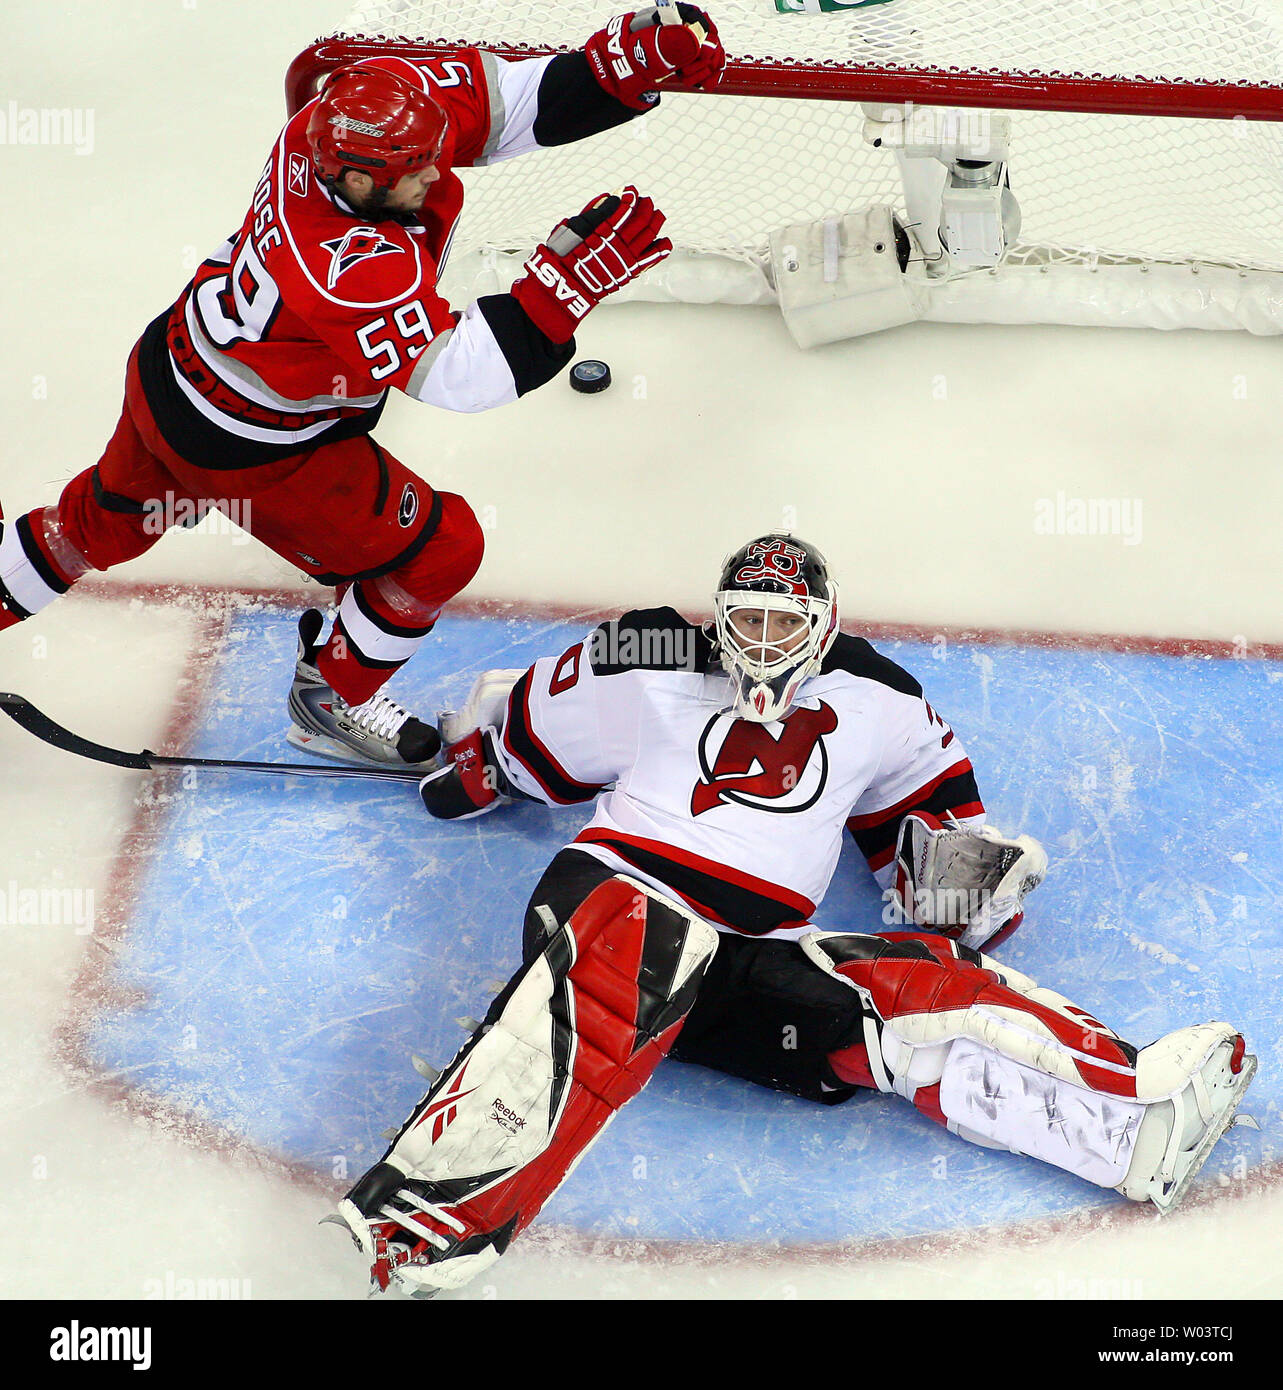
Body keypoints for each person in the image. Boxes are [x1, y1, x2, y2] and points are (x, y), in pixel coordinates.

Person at [333, 533, 1256, 1296]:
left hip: (740, 958)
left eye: (786, 622)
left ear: (824, 623)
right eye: (747, 621)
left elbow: (921, 825)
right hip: (614, 896)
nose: (764, 643)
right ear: (718, 617)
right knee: (634, 953)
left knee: (903, 1005)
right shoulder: (648, 654)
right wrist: (480, 769)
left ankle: (1134, 1126)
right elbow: (532, 743)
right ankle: (426, 1220)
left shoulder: (879, 696)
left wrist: (963, 886)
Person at [0, 6, 725, 768]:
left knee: (94, 527)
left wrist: (613, 70)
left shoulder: (361, 116)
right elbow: (458, 377)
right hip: (254, 446)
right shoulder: (348, 268)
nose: (434, 172)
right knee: (438, 549)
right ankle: (329, 699)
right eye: (414, 170)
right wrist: (558, 294)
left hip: (173, 370)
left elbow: (509, 103)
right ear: (352, 178)